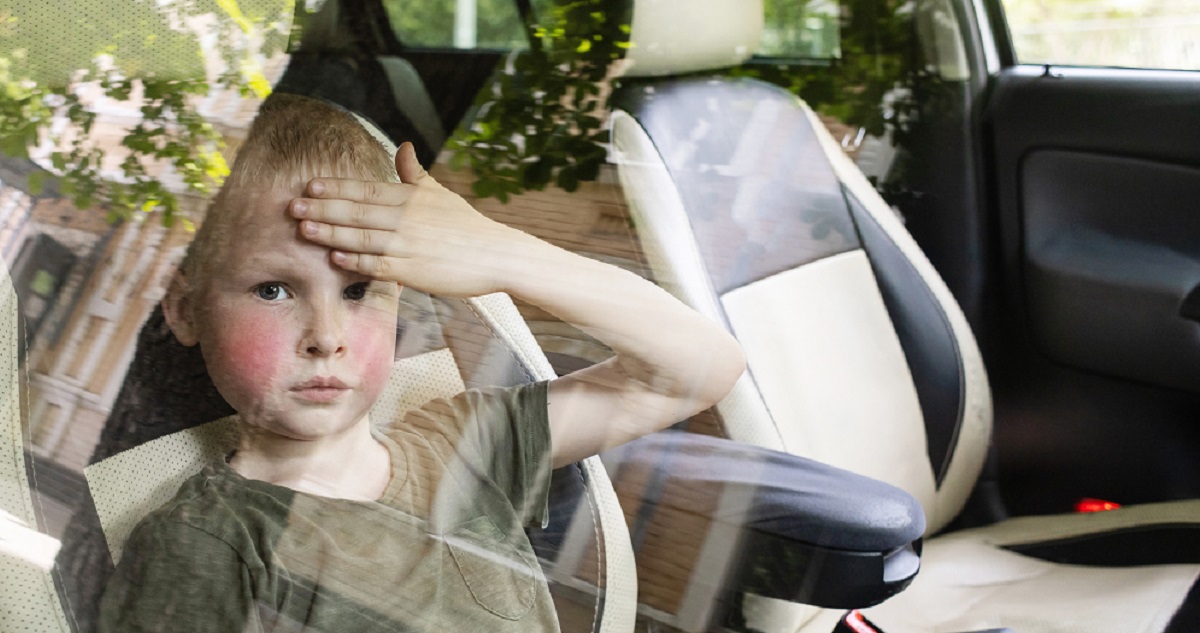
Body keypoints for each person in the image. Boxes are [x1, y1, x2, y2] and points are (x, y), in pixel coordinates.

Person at [97, 93, 745, 632]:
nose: (327, 336)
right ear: (185, 310)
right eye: (273, 290)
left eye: (358, 291)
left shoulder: (461, 445)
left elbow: (698, 368)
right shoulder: (205, 544)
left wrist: (503, 254)